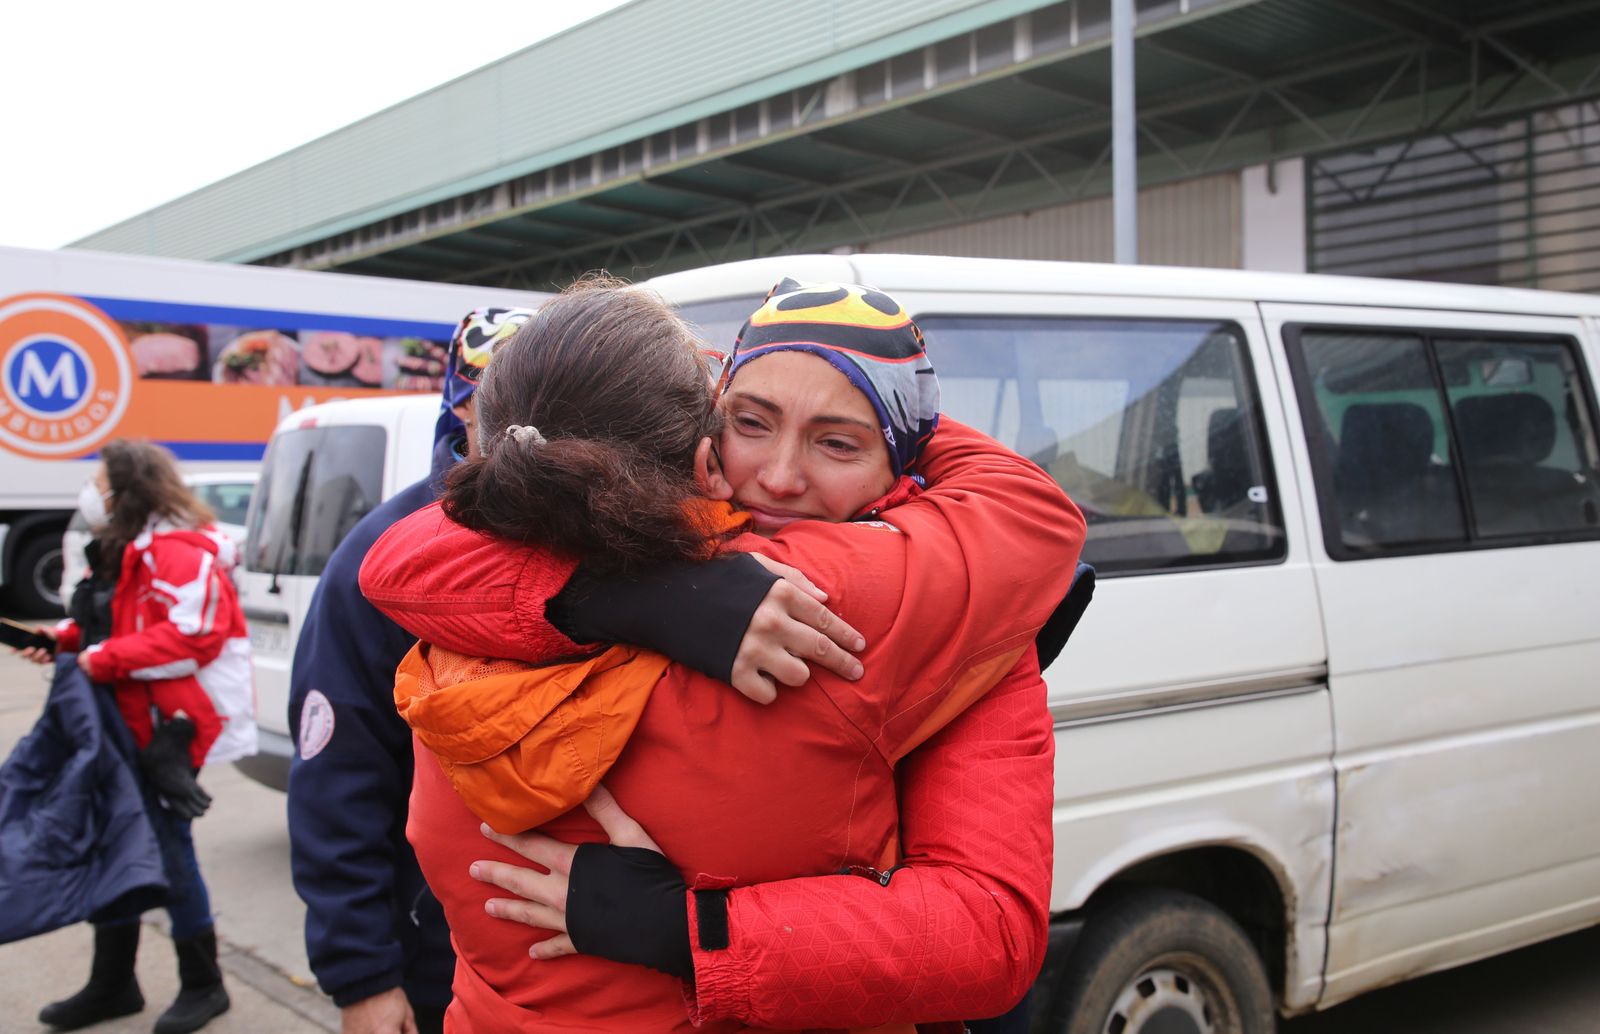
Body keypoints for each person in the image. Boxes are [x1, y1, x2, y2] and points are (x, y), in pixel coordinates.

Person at [359, 277, 1085, 1031]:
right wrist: (654, 595)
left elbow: (386, 559)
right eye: (751, 422)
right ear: (700, 436)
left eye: (838, 441)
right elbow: (989, 934)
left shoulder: (459, 604)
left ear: (901, 460)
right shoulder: (912, 600)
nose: (778, 475)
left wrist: (688, 929)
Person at [285, 306, 534, 1034]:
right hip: (439, 965)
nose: (526, 437)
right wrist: (361, 974)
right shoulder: (385, 557)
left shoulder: (622, 530)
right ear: (459, 410)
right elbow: (338, 774)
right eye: (498, 412)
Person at [20, 439, 256, 1034]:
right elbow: (114, 621)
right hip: (116, 721)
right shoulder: (123, 548)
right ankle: (113, 982)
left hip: (166, 730)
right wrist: (64, 640)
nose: (91, 494)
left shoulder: (181, 552)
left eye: (99, 484)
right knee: (111, 841)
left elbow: (191, 636)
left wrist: (99, 660)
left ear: (128, 491)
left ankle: (205, 985)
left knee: (166, 847)